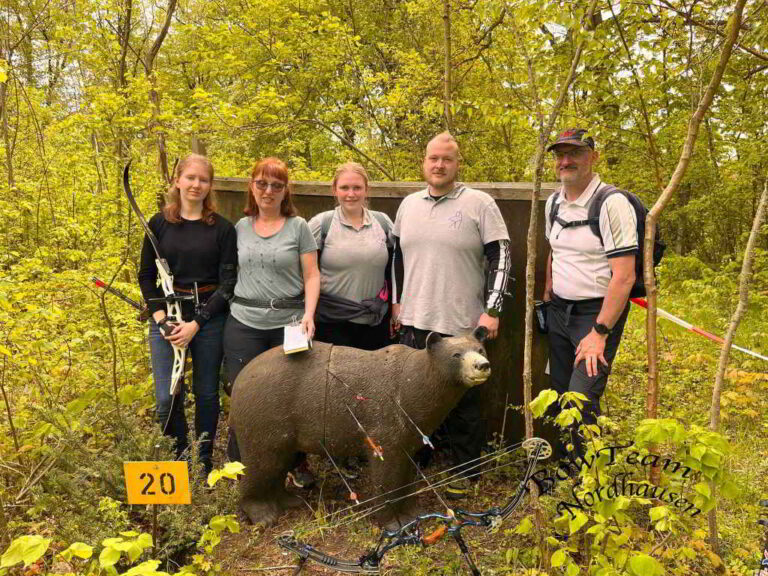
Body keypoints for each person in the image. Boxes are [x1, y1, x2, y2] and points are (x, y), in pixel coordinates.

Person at [391, 132, 511, 500]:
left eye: (447, 159)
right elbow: (396, 258)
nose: (439, 165)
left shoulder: (480, 203)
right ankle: (420, 459)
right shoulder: (408, 205)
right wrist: (396, 303)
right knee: (416, 398)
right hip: (414, 320)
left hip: (462, 325)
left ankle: (465, 470)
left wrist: (493, 310)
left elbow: (502, 256)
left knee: (466, 405)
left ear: (458, 164)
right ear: (423, 162)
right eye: (433, 158)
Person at [138, 153, 237, 476]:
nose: (196, 185)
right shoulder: (158, 224)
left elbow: (228, 283)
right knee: (167, 396)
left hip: (207, 319)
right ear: (177, 180)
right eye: (190, 178)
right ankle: (179, 460)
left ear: (210, 186)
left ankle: (203, 461)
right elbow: (144, 276)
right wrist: (162, 320)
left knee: (206, 393)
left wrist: (197, 323)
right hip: (166, 318)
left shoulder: (222, 229)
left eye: (203, 180)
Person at [223, 157, 320, 486]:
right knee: (243, 394)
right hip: (244, 323)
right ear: (252, 186)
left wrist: (309, 314)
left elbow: (312, 275)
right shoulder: (239, 227)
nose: (268, 191)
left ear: (285, 191)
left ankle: (296, 464)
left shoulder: (299, 227)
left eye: (276, 185)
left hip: (289, 323)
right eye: (262, 183)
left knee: (292, 396)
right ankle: (238, 464)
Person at [542, 128, 637, 461]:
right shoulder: (553, 202)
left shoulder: (611, 204)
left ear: (593, 157)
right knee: (559, 395)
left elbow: (624, 276)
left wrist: (599, 333)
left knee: (581, 399)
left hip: (595, 317)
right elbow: (555, 250)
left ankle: (587, 479)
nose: (565, 161)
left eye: (575, 153)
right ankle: (565, 470)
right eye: (560, 154)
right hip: (559, 313)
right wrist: (547, 296)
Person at [308, 162, 394, 351]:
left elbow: (397, 268)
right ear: (334, 190)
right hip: (332, 324)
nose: (351, 194)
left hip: (375, 322)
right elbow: (305, 272)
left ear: (366, 190)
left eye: (357, 188)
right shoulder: (321, 224)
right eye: (344, 188)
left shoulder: (383, 222)